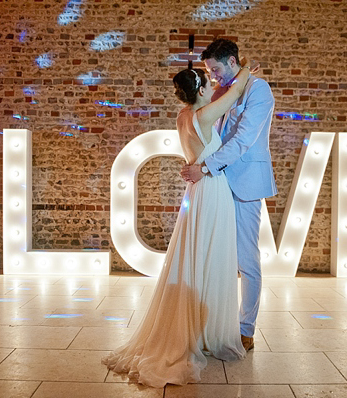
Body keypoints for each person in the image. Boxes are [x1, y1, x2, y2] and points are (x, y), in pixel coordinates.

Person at [102, 62, 253, 388]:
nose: (214, 85)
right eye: (209, 82)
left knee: (194, 256)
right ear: (200, 91)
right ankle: (207, 333)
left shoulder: (184, 116)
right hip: (212, 189)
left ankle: (198, 328)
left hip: (195, 191)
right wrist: (245, 69)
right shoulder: (204, 116)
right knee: (212, 257)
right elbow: (238, 90)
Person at [181, 38, 277, 352]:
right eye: (209, 72)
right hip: (218, 185)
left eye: (217, 69)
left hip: (244, 184)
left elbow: (244, 140)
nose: (214, 77)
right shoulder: (225, 90)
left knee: (247, 260)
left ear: (232, 62)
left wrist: (205, 166)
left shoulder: (259, 90)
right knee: (218, 258)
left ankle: (245, 329)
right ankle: (215, 327)